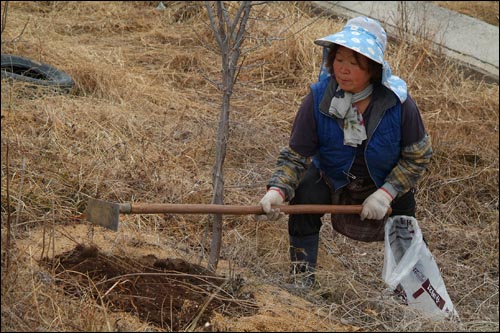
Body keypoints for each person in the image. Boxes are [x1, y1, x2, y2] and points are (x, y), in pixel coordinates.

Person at [256, 16, 433, 287]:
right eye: (339, 60)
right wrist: (277, 190)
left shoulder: (399, 104)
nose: (344, 70)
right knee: (305, 193)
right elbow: (296, 156)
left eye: (354, 63)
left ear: (373, 69)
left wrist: (386, 193)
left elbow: (418, 156)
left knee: (404, 225)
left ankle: (413, 288)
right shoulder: (318, 99)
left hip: (383, 183)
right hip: (334, 178)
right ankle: (301, 279)